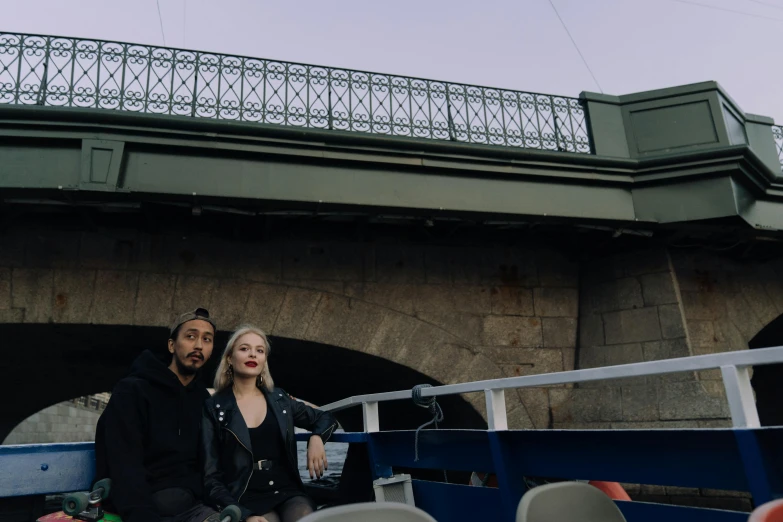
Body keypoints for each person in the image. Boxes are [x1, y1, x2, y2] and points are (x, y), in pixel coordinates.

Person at [201, 325, 338, 522]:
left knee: (304, 517)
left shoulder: (279, 399)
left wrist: (316, 437)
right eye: (244, 349)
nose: (252, 355)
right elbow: (210, 478)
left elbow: (325, 418)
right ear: (230, 358)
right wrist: (243, 514)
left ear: (264, 360)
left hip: (286, 491)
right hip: (244, 495)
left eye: (259, 350)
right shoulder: (214, 407)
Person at [95, 308, 221, 522]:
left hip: (192, 507)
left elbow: (210, 465)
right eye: (191, 336)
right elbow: (125, 465)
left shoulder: (203, 401)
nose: (199, 345)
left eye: (207, 340)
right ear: (172, 345)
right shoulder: (133, 391)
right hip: (143, 508)